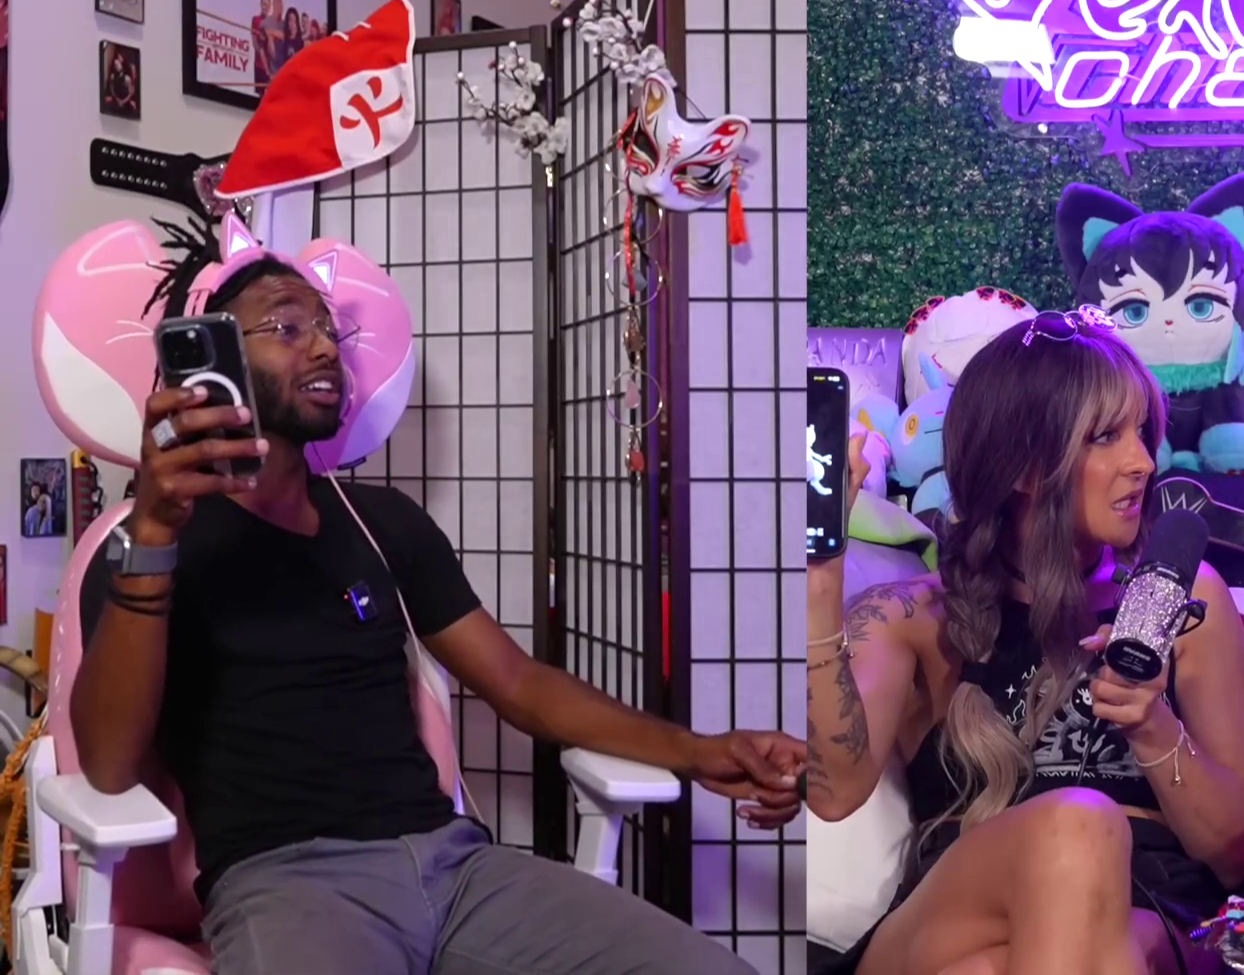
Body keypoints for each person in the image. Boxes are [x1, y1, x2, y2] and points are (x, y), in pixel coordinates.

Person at [73, 255, 802, 975]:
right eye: (288, 327)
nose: (325, 347)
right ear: (218, 359)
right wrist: (156, 532)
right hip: (292, 884)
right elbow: (107, 765)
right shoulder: (149, 542)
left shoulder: (382, 523)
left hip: (457, 870)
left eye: (328, 328)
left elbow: (519, 683)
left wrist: (698, 751)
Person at [808, 307, 1244, 975]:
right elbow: (833, 791)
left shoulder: (1184, 602)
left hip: (1144, 918)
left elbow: (1236, 853)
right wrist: (820, 581)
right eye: (1105, 437)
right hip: (951, 918)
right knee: (1079, 825)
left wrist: (1151, 724)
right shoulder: (913, 617)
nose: (1143, 461)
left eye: (1143, 431)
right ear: (1022, 465)